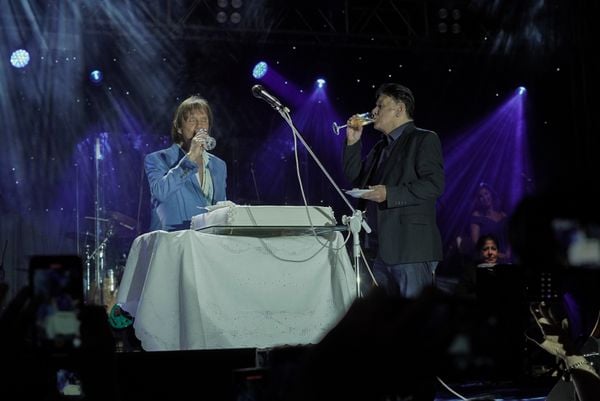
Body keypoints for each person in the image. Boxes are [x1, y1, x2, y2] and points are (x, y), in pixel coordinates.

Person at [342, 83, 444, 298]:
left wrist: (389, 194)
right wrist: (352, 142)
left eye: (380, 105)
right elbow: (357, 178)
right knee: (386, 324)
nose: (374, 111)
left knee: (412, 321)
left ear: (399, 109)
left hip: (411, 249)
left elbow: (434, 185)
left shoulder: (423, 139)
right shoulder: (381, 146)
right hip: (381, 250)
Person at [145, 95, 227, 231]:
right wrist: (190, 157)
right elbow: (160, 193)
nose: (200, 127)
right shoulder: (158, 159)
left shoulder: (219, 165)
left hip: (208, 242)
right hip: (173, 242)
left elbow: (220, 207)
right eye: (192, 121)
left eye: (204, 120)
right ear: (178, 127)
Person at [470, 182, 510, 261]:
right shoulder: (477, 216)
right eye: (481, 196)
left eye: (486, 193)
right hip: (488, 259)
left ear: (491, 194)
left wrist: (508, 253)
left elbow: (511, 237)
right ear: (478, 200)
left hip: (507, 258)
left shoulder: (503, 215)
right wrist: (497, 255)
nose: (485, 197)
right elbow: (476, 243)